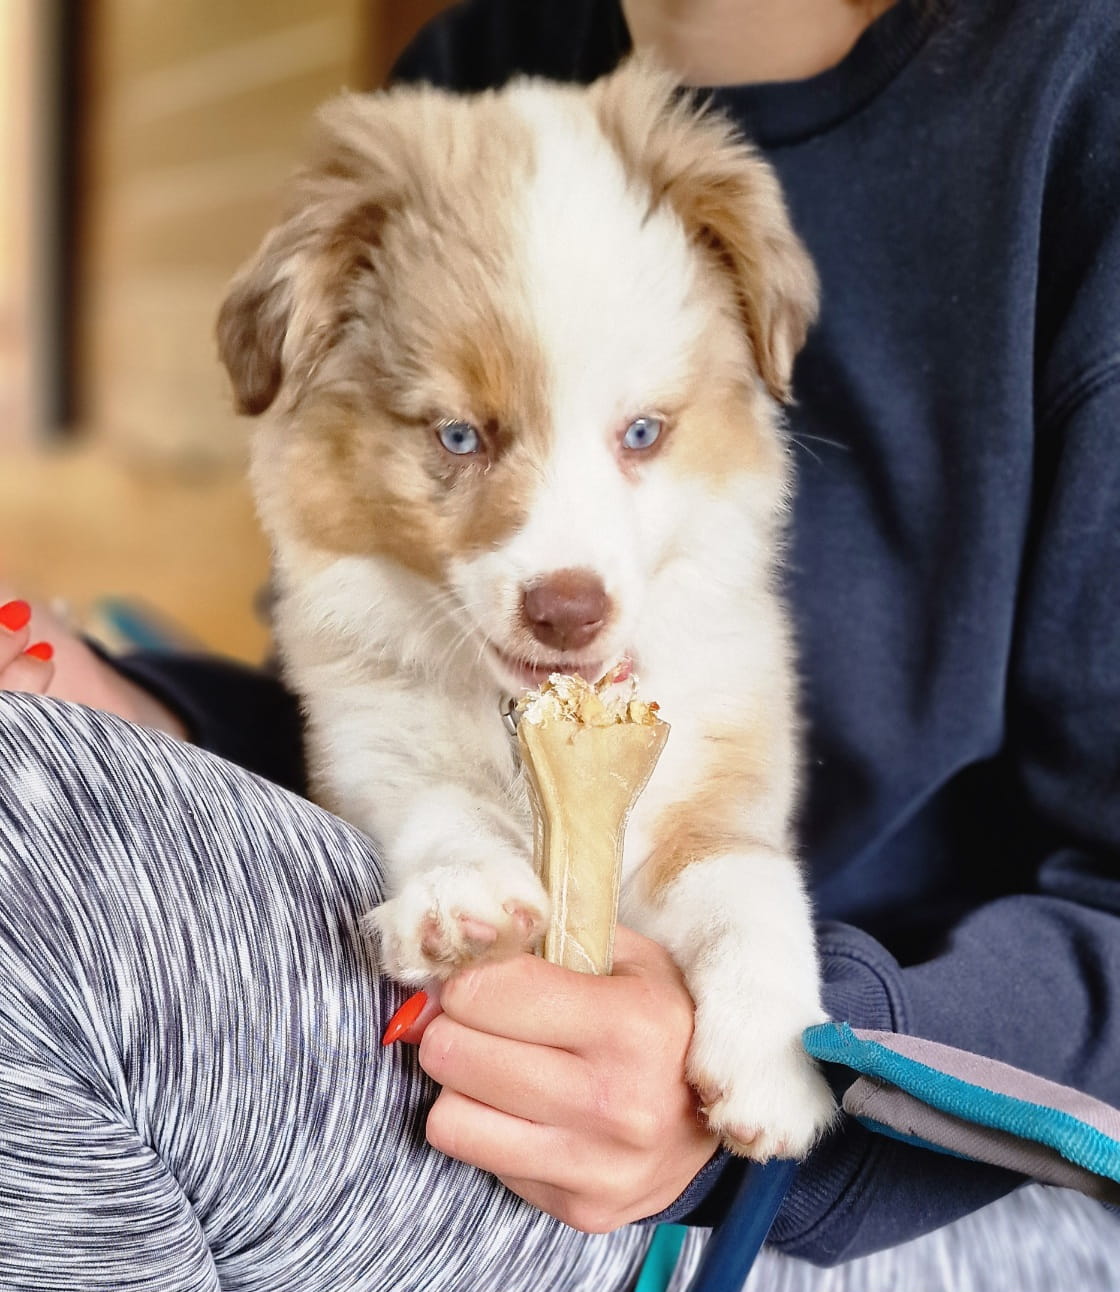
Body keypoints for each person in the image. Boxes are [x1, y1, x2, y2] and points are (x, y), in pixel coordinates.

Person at [1, 0, 1118, 1283]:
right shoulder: (486, 72)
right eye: (461, 437)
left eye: (641, 435)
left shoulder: (1078, 101)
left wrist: (788, 1052)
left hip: (931, 1163)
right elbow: (400, 741)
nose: (565, 571)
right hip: (512, 1050)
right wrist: (148, 722)